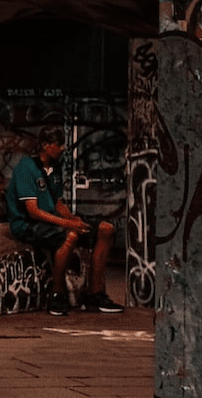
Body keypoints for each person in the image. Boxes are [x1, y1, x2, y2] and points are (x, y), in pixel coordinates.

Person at [7, 133, 123, 315]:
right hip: (27, 224)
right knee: (71, 235)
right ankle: (57, 295)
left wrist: (73, 219)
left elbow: (57, 202)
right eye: (58, 144)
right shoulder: (26, 168)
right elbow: (33, 211)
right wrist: (68, 224)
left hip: (52, 221)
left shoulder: (55, 167)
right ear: (45, 145)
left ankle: (95, 294)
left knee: (105, 229)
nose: (63, 148)